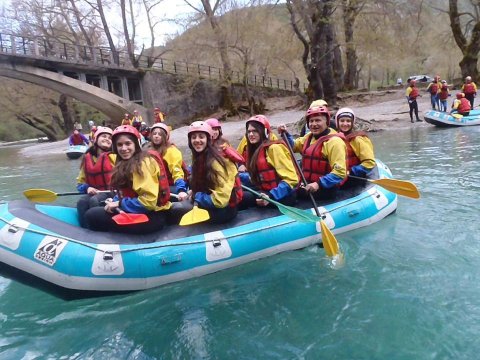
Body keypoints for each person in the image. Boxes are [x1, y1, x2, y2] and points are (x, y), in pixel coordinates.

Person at [83, 125, 172, 234]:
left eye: (128, 143)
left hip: (152, 215)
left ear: (136, 144)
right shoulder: (125, 162)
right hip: (137, 211)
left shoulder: (144, 163)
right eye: (119, 145)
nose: (124, 148)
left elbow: (149, 202)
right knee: (94, 210)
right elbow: (126, 192)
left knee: (92, 215)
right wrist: (116, 200)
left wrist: (119, 204)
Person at [175, 121, 242, 224]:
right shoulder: (200, 157)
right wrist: (193, 191)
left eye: (201, 137)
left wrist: (197, 196)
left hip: (224, 210)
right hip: (211, 203)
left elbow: (221, 200)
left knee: (178, 211)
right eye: (194, 137)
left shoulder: (216, 162)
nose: (197, 140)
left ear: (208, 139)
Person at [279, 106, 347, 200]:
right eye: (311, 121)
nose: (314, 124)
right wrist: (285, 134)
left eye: (318, 120)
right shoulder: (309, 137)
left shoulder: (335, 142)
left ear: (327, 122)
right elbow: (294, 146)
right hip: (307, 184)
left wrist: (317, 184)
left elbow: (340, 173)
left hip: (325, 189)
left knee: (289, 197)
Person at [239, 115, 299, 208]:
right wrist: (236, 176)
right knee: (237, 194)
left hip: (282, 195)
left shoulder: (274, 149)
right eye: (249, 131)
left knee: (243, 198)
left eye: (255, 131)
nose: (251, 134)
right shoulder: (255, 150)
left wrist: (270, 196)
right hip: (266, 191)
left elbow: (292, 180)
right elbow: (256, 178)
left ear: (265, 132)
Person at [76, 126, 115, 227]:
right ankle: (85, 229)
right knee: (82, 202)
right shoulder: (87, 159)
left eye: (110, 138)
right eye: (104, 136)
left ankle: (99, 229)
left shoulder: (114, 157)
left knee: (94, 200)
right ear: (96, 139)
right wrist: (87, 187)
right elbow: (80, 183)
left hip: (113, 193)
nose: (107, 139)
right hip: (96, 192)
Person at [144, 122, 189, 200]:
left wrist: (181, 190)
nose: (156, 136)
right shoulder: (148, 150)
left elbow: (176, 171)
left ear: (165, 137)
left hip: (172, 186)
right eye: (154, 134)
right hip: (156, 185)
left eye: (160, 134)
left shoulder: (171, 150)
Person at [335, 108, 376, 181]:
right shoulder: (334, 138)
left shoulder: (358, 139)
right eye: (342, 121)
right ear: (337, 122)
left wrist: (351, 172)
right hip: (339, 176)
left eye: (348, 121)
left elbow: (369, 162)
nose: (345, 124)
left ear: (352, 123)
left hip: (354, 177)